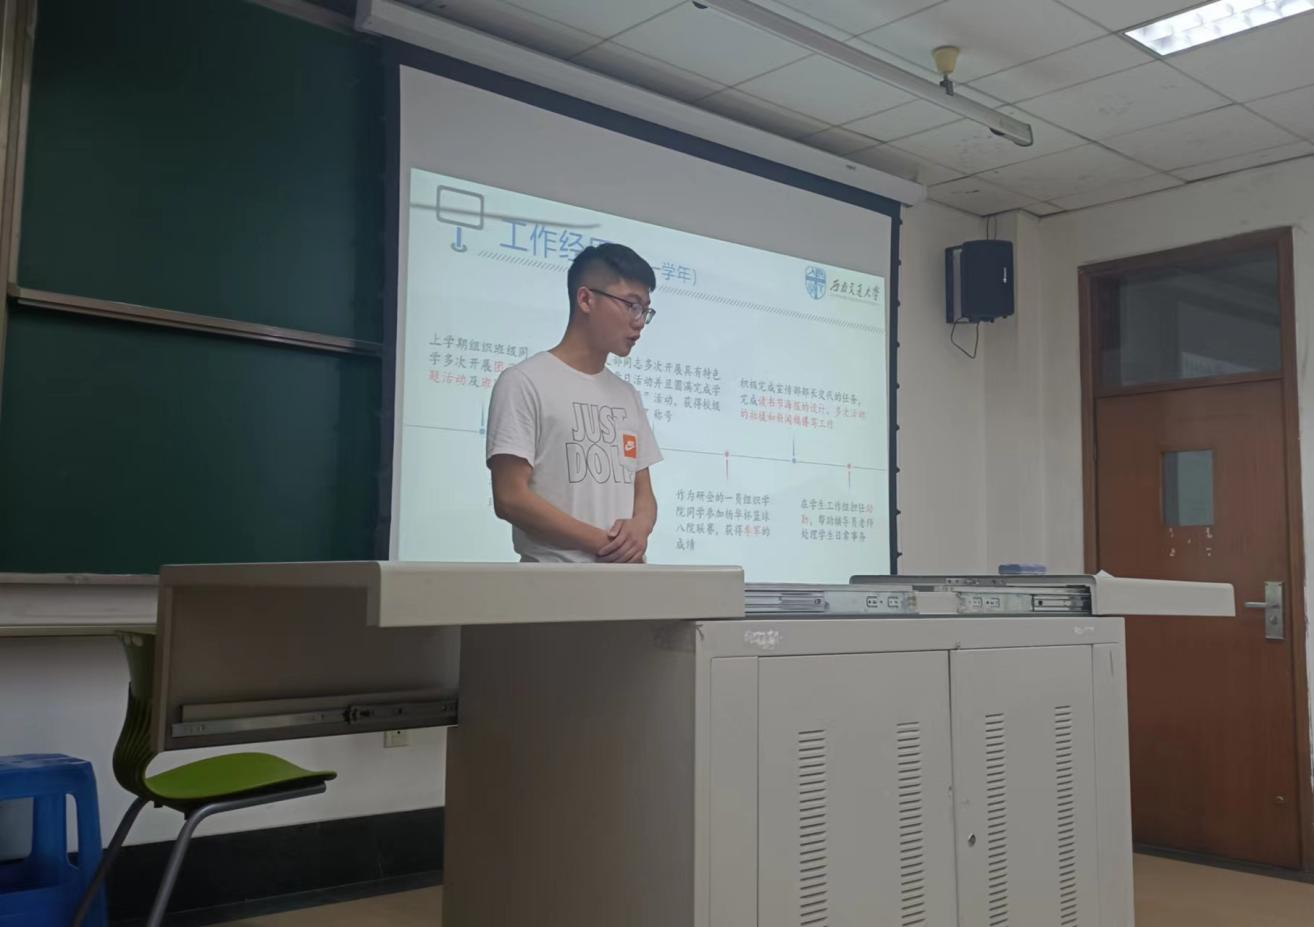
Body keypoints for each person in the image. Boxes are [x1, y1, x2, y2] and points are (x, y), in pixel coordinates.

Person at [486, 243, 661, 563]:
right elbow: (510, 497)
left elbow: (643, 492)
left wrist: (640, 529)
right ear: (585, 299)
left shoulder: (627, 394)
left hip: (626, 583)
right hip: (552, 583)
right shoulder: (524, 381)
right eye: (631, 305)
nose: (639, 322)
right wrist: (606, 544)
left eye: (645, 311)